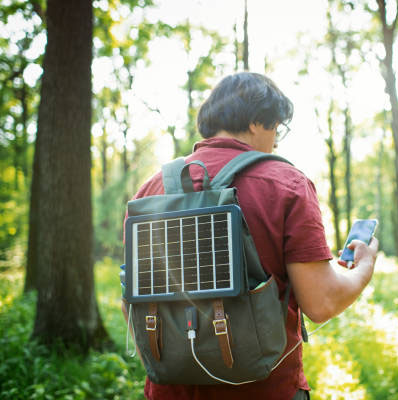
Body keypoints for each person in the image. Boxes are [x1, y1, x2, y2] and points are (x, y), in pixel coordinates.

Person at [123, 72, 378, 400]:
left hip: (168, 391)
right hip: (266, 391)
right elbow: (321, 301)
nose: (275, 140)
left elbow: (131, 299)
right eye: (276, 128)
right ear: (258, 122)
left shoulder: (151, 190)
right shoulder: (286, 183)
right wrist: (364, 267)